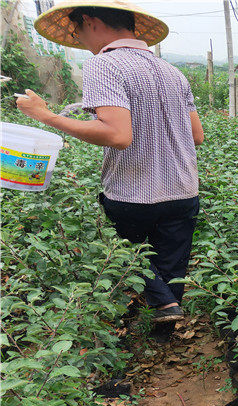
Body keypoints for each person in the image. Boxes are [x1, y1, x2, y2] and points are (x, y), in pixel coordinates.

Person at [17, 0, 204, 324]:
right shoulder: (172, 72)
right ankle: (165, 324)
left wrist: (46, 116)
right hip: (183, 189)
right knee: (170, 266)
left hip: (132, 192)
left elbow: (118, 136)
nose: (82, 42)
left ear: (91, 22)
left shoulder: (105, 65)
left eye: (78, 32)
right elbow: (197, 136)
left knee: (128, 251)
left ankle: (160, 308)